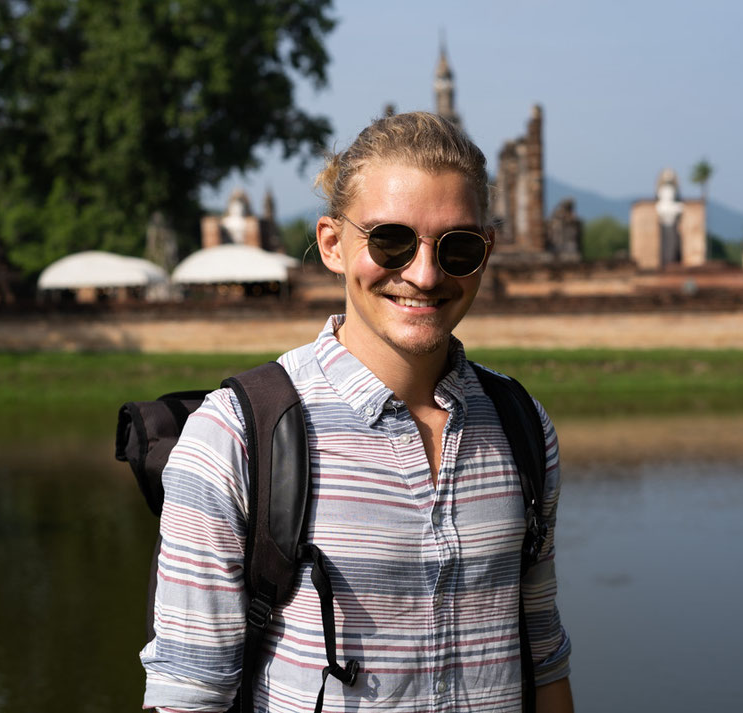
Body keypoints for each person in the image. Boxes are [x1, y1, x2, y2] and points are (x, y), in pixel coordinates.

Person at [141, 111, 573, 712]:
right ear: (332, 244)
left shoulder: (523, 427)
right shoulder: (236, 436)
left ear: (486, 251)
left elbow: (544, 654)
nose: (423, 275)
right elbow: (187, 693)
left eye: (458, 246)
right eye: (391, 241)